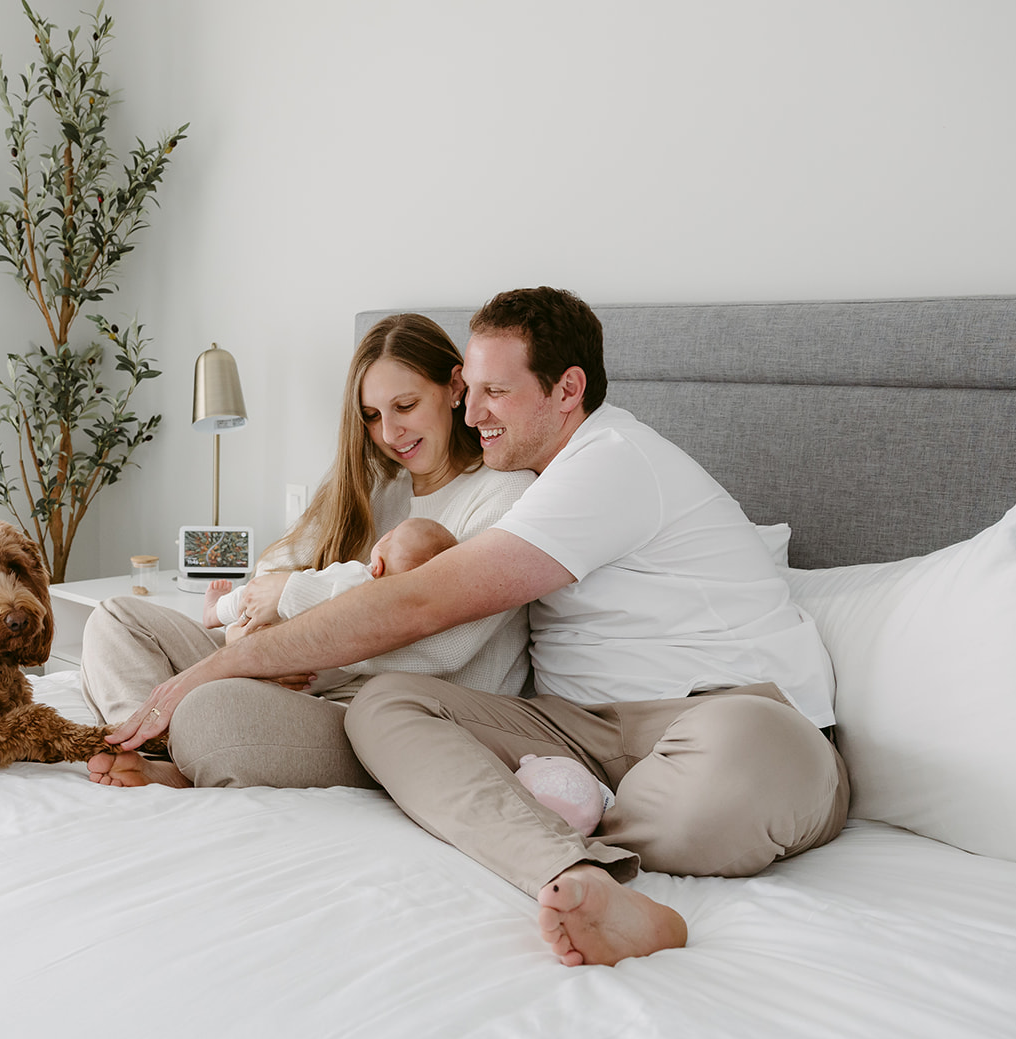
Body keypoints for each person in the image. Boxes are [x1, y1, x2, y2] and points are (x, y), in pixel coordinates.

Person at [109, 287, 848, 968]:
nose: (472, 413)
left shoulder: (608, 463)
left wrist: (215, 668)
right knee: (385, 703)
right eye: (471, 389)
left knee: (726, 783)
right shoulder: (534, 486)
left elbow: (421, 606)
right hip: (577, 733)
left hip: (724, 718)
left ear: (567, 390)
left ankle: (571, 834)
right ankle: (574, 867)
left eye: (494, 392)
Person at [79, 313, 536, 789]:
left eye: (406, 405)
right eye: (373, 416)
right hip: (307, 679)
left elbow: (443, 647)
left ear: (455, 386)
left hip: (389, 718)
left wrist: (279, 651)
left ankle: (173, 750)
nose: (390, 433)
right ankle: (147, 750)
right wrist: (245, 639)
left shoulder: (505, 493)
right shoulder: (378, 484)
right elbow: (275, 567)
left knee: (211, 716)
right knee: (114, 619)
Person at [203, 517, 459, 695]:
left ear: (378, 564)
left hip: (270, 638)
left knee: (249, 592)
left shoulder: (359, 576)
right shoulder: (394, 627)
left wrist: (287, 589)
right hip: (308, 682)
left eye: (389, 537)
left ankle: (214, 612)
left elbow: (302, 594)